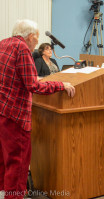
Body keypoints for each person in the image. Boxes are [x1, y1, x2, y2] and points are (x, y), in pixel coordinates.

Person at [0, 19, 75, 199]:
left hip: (2, 110)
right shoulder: (23, 48)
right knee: (18, 163)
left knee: (4, 160)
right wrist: (60, 85)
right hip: (16, 115)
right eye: (37, 37)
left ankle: (4, 193)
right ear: (31, 36)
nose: (36, 42)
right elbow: (33, 86)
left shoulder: (3, 43)